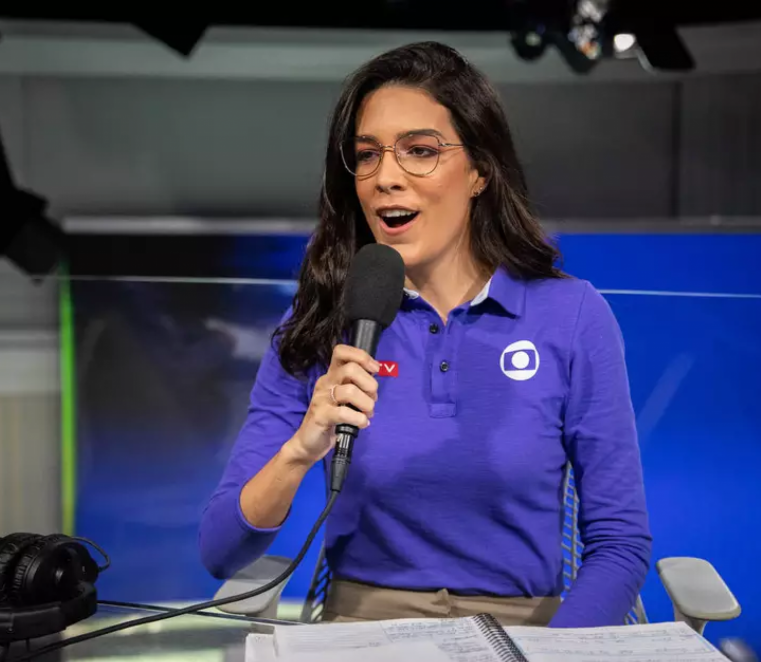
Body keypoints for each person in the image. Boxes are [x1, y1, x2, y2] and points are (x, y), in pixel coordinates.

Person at [199, 41, 651, 628]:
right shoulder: (318, 325)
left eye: (419, 151)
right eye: (367, 155)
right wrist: (300, 449)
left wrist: (552, 654)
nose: (385, 177)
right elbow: (219, 551)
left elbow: (620, 544)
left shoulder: (571, 315)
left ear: (479, 173)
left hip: (525, 634)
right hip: (364, 630)